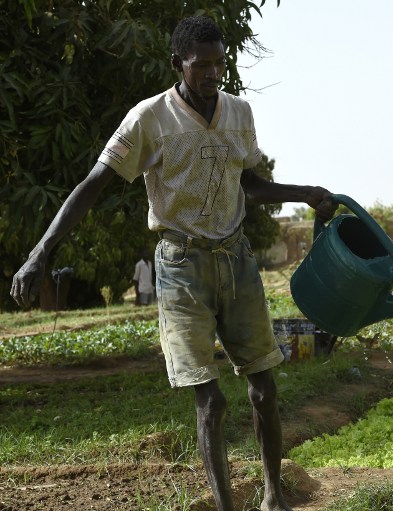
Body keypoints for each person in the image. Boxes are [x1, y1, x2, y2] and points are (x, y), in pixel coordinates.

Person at [10, 16, 336, 511]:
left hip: (236, 257)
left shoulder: (239, 113)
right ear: (176, 65)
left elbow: (246, 185)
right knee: (211, 399)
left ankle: (273, 498)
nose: (211, 73)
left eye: (218, 63)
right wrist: (40, 252)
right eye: (200, 64)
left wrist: (304, 193)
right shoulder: (149, 118)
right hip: (182, 265)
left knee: (264, 388)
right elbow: (92, 185)